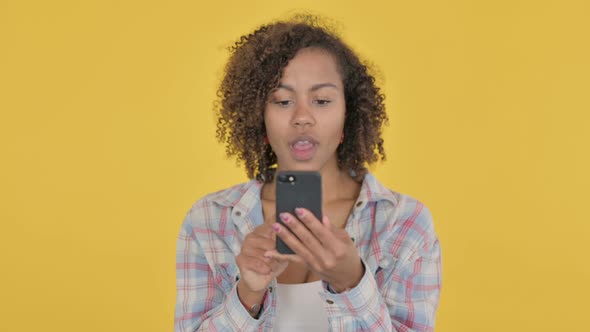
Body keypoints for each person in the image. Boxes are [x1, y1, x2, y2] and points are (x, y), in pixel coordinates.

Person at [175, 15, 442, 332]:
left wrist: (351, 282)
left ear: (348, 114)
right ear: (259, 117)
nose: (303, 117)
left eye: (322, 100)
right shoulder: (208, 220)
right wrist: (248, 292)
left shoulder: (404, 223)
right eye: (283, 101)